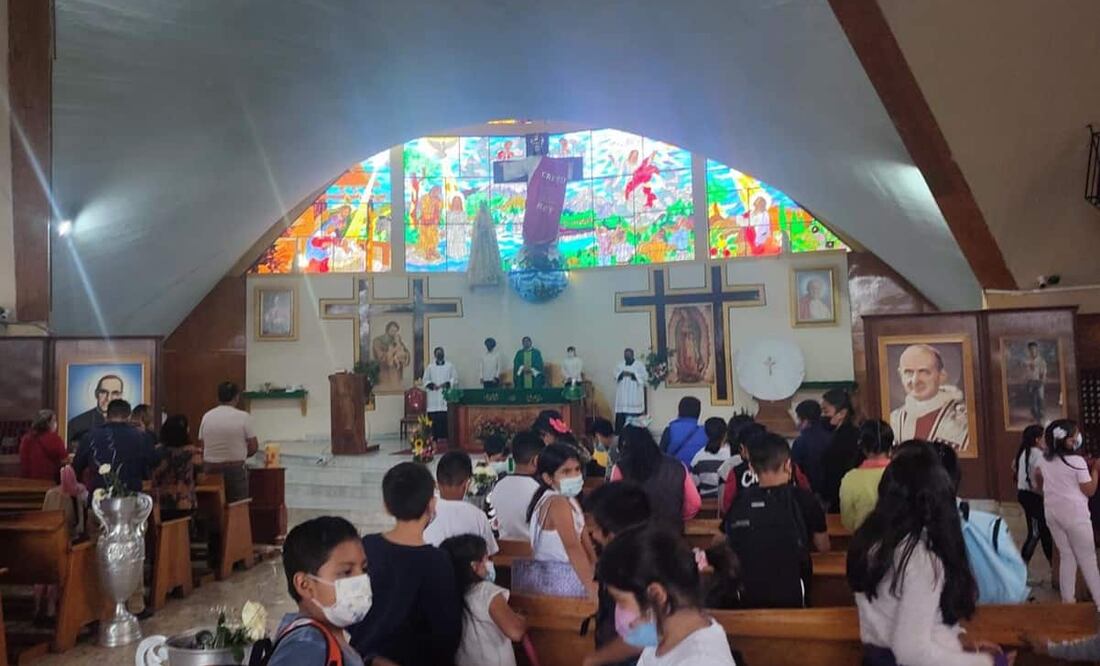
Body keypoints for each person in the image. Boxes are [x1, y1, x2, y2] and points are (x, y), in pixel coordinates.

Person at [848, 441, 1011, 666]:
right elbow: (912, 652)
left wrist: (959, 641)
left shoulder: (871, 540)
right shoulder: (919, 559)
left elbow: (912, 619)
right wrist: (987, 663)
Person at [349, 462, 462, 665]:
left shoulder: (367, 546)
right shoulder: (437, 561)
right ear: (432, 504)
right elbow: (447, 632)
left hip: (363, 657)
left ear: (386, 505)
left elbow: (352, 610)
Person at [598, 527, 737, 666]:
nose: (619, 611)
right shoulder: (663, 637)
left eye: (621, 601)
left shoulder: (702, 661)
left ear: (656, 595)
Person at [724, 432, 828, 609]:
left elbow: (722, 541)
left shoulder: (740, 501)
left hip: (747, 596)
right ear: (788, 465)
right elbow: (823, 547)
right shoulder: (804, 499)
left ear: (751, 467)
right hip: (794, 594)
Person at [269, 516, 369, 666]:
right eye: (346, 572)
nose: (361, 579)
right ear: (304, 585)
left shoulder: (327, 635)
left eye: (364, 569)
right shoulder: (305, 646)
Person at [582, 482, 653, 666]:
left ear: (613, 532)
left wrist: (595, 659)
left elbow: (647, 634)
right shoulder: (641, 554)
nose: (594, 535)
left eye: (597, 528)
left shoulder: (631, 570)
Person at [1033, 419, 1100, 609]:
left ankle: (1068, 603)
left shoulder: (1043, 459)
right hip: (1076, 516)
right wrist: (1095, 471)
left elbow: (1037, 480)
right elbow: (1089, 490)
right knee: (1088, 559)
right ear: (1068, 441)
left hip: (1053, 513)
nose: (1078, 438)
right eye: (1075, 435)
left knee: (1066, 556)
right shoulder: (1077, 462)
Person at [440, 534, 527, 666]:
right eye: (486, 560)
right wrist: (522, 619)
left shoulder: (446, 593)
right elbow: (515, 631)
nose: (489, 565)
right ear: (474, 566)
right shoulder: (486, 592)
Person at [525, 443, 597, 597]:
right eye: (566, 472)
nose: (574, 476)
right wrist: (592, 589)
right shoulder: (557, 502)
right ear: (548, 478)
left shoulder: (570, 499)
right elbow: (572, 548)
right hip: (557, 583)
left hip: (570, 574)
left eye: (577, 470)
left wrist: (595, 567)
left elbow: (585, 542)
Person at [612, 426, 701, 531]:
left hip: (635, 536)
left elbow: (613, 505)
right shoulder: (678, 466)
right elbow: (695, 503)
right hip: (672, 535)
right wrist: (677, 517)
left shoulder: (620, 468)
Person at [719, 422, 812, 517]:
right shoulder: (791, 467)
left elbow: (727, 505)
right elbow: (806, 489)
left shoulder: (736, 472)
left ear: (743, 448)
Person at [888, 344, 970, 451]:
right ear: (900, 375)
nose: (915, 381)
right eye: (908, 372)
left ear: (941, 376)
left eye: (924, 372)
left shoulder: (963, 419)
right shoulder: (893, 419)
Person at [73, 399, 161, 494]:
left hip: (99, 499)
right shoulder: (143, 437)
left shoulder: (90, 437)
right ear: (129, 417)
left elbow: (76, 468)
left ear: (107, 416)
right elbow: (154, 463)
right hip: (133, 498)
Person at [424, 451, 499, 554]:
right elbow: (489, 553)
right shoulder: (478, 516)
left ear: (436, 483)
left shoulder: (424, 514)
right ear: (466, 484)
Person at [197, 381, 259, 503]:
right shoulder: (243, 417)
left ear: (218, 397)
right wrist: (240, 454)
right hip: (235, 470)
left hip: (211, 470)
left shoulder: (207, 416)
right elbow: (253, 446)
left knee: (213, 508)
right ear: (236, 397)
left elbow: (202, 445)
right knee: (238, 509)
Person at [839, 420, 894, 531]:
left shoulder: (851, 478)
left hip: (864, 542)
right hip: (899, 542)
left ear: (862, 447)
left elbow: (847, 521)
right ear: (891, 445)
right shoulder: (903, 473)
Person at [489, 431, 544, 540]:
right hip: (535, 553)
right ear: (536, 460)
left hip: (503, 552)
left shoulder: (499, 486)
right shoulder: (540, 490)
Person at [1013, 424, 1052, 568]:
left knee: (1042, 531)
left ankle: (1052, 564)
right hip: (1033, 496)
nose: (1045, 441)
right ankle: (1021, 568)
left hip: (1025, 495)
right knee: (1036, 532)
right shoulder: (1037, 454)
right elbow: (1040, 474)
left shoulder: (1024, 452)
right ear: (1037, 440)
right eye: (1043, 437)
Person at [821, 388, 861, 513]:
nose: (822, 416)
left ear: (842, 413)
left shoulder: (844, 438)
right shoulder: (848, 433)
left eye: (826, 411)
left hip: (842, 498)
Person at [153, 414, 197, 521]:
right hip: (184, 502)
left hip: (161, 502)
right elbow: (201, 476)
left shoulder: (156, 451)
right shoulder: (192, 452)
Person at [790, 399, 832, 501]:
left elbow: (796, 470)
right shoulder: (832, 436)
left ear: (805, 420)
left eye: (798, 419)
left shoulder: (800, 442)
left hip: (809, 493)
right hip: (832, 492)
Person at [67, 374, 123, 443]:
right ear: (96, 394)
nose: (108, 398)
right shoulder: (76, 424)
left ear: (120, 396)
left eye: (115, 393)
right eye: (103, 392)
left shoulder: (130, 424)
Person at [421, 346, 458, 442]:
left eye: (441, 352)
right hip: (433, 397)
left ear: (443, 354)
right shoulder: (430, 367)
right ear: (435, 355)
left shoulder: (450, 366)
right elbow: (425, 380)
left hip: (444, 397)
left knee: (445, 418)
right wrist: (432, 385)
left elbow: (455, 379)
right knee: (433, 419)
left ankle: (446, 437)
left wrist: (446, 384)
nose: (439, 354)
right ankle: (434, 438)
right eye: (437, 353)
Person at [20, 409, 67, 482]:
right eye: (54, 420)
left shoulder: (26, 439)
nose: (56, 423)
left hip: (29, 482)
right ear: (48, 423)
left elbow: (24, 462)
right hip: (50, 482)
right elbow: (64, 460)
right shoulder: (55, 439)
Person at [659, 397, 709, 467]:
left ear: (679, 411)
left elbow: (660, 456)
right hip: (696, 474)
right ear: (698, 413)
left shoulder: (669, 430)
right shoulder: (705, 432)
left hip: (675, 473)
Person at [690, 418, 730, 499]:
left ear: (706, 434)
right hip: (727, 503)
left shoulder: (698, 457)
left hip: (705, 502)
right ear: (725, 433)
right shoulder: (732, 455)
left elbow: (693, 485)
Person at [613, 348, 648, 434]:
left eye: (628, 355)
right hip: (622, 400)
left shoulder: (639, 365)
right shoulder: (620, 365)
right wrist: (621, 374)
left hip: (634, 399)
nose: (627, 357)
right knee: (621, 424)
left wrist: (633, 375)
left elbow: (644, 378)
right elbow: (615, 375)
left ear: (632, 355)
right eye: (625, 355)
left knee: (635, 429)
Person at [372, 321, 412, 389]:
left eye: (396, 331)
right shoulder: (378, 341)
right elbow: (380, 356)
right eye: (392, 330)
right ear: (387, 330)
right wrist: (393, 351)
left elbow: (405, 352)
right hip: (385, 372)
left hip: (397, 372)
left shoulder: (397, 340)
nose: (394, 333)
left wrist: (405, 355)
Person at [1024, 341, 1047, 422]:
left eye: (1034, 349)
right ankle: (1034, 415)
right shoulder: (1027, 361)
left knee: (1040, 399)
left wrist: (1042, 380)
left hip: (1039, 382)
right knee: (1032, 400)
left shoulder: (1041, 361)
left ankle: (1041, 415)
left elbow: (1043, 372)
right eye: (1031, 349)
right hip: (1030, 382)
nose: (1032, 351)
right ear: (1028, 350)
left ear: (1037, 350)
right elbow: (1026, 372)